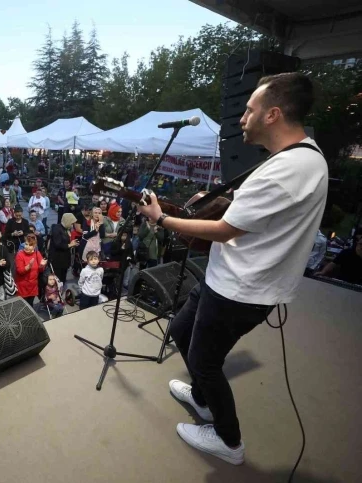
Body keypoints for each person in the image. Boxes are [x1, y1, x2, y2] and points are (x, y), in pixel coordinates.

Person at [137, 73, 328, 465]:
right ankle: (204, 401)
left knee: (205, 362)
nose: (242, 117)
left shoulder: (285, 169)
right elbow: (264, 203)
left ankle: (229, 442)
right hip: (228, 279)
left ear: (273, 114)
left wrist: (160, 219)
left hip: (240, 290)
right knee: (179, 330)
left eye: (250, 109)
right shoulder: (300, 158)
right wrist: (228, 195)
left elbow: (224, 230)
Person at [14, 234, 46, 306]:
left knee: (30, 304)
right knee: (24, 306)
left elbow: (41, 270)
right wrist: (28, 266)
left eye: (30, 245)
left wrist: (41, 266)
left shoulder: (37, 253)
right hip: (22, 286)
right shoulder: (20, 254)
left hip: (33, 285)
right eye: (26, 244)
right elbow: (20, 271)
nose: (27, 246)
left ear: (34, 246)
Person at [49, 213, 80, 283]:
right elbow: (58, 244)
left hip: (64, 260)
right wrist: (70, 245)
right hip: (57, 260)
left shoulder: (66, 229)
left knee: (63, 279)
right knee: (57, 280)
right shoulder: (56, 229)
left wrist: (72, 243)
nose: (72, 225)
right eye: (71, 223)